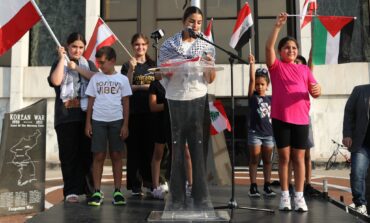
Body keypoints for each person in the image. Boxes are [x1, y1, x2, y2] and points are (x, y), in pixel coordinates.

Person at [158, 6, 216, 210]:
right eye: (192, 21)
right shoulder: (168, 45)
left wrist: (208, 66)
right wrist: (171, 69)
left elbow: (210, 78)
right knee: (177, 150)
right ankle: (177, 196)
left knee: (198, 150)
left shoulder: (206, 44)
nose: (195, 25)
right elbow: (160, 74)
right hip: (175, 100)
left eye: (199, 22)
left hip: (198, 98)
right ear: (184, 21)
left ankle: (200, 196)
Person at [265, 12, 321, 212]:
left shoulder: (304, 70)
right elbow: (267, 47)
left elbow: (316, 90)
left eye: (294, 48)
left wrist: (317, 90)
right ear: (280, 51)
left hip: (301, 120)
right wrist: (277, 26)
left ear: (298, 52)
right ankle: (285, 196)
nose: (291, 50)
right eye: (287, 47)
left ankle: (299, 196)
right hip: (281, 118)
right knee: (284, 158)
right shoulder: (276, 67)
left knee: (299, 159)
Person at [48, 32, 97, 203]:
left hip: (86, 117)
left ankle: (91, 191)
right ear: (67, 47)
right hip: (66, 117)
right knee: (69, 155)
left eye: (81, 47)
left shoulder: (88, 64)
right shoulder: (59, 62)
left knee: (88, 155)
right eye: (74, 47)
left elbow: (96, 79)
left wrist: (77, 68)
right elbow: (55, 81)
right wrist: (62, 59)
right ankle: (71, 190)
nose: (77, 50)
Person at [85, 46, 132, 206]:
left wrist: (125, 125)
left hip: (117, 121)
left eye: (102, 62)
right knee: (98, 156)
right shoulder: (95, 78)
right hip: (98, 121)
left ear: (112, 61)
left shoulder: (123, 80)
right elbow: (90, 101)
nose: (99, 65)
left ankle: (118, 191)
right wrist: (88, 123)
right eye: (98, 62)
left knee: (117, 155)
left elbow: (126, 103)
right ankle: (97, 191)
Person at [121, 33, 156, 196]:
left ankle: (150, 183)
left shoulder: (153, 65)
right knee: (133, 150)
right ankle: (135, 186)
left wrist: (139, 87)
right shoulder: (127, 65)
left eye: (143, 44)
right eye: (136, 44)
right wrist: (132, 70)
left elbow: (156, 88)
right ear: (132, 46)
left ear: (147, 46)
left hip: (150, 113)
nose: (140, 47)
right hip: (132, 113)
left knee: (149, 149)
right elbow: (126, 88)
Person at [148, 79, 193, 199]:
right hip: (160, 122)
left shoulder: (177, 82)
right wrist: (169, 104)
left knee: (186, 152)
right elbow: (153, 106)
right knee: (158, 153)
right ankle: (156, 187)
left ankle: (190, 184)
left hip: (176, 122)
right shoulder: (156, 84)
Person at [247, 54, 275, 197]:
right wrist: (252, 64)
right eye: (257, 84)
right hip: (255, 133)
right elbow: (252, 79)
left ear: (267, 85)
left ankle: (267, 185)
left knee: (267, 161)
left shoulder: (271, 98)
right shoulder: (253, 97)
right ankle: (253, 186)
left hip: (269, 135)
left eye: (262, 84)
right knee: (254, 160)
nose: (259, 86)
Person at [342, 84, 370, 216]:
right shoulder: (360, 90)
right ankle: (360, 204)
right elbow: (349, 112)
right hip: (361, 143)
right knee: (357, 173)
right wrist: (347, 134)